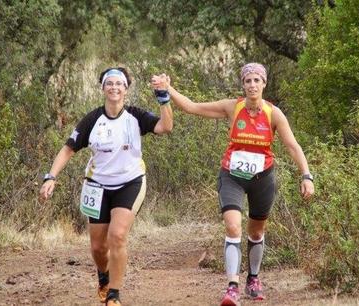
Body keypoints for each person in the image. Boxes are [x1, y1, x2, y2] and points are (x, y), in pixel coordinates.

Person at [151, 63, 314, 306]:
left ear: (264, 84)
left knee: (256, 231)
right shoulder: (232, 107)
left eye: (257, 80)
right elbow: (192, 107)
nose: (252, 85)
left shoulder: (274, 113)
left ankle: (254, 279)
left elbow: (293, 146)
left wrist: (306, 176)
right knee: (233, 226)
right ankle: (232, 287)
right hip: (232, 175)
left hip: (263, 178)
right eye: (248, 81)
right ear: (243, 84)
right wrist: (168, 88)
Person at [39, 67, 173, 306]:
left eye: (118, 84)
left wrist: (163, 98)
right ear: (102, 88)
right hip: (97, 185)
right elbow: (68, 148)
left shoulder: (135, 116)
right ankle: (104, 276)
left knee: (118, 236)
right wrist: (51, 177)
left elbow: (165, 127)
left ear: (126, 89)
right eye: (109, 83)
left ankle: (114, 295)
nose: (114, 87)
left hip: (130, 182)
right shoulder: (92, 119)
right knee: (98, 247)